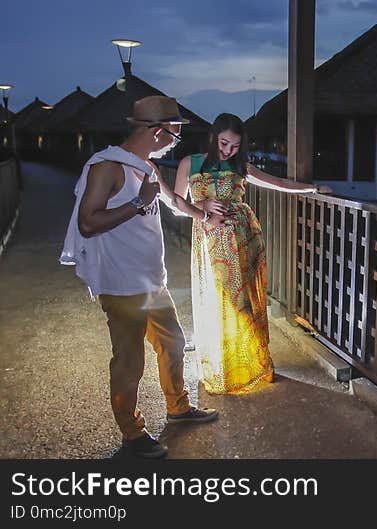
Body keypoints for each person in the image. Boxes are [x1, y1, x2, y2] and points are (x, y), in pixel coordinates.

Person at [60, 96, 220, 459]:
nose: (178, 138)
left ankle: (178, 408)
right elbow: (88, 223)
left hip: (150, 279)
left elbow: (172, 202)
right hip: (122, 284)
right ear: (156, 130)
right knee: (130, 361)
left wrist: (203, 214)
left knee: (174, 343)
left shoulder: (146, 165)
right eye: (176, 131)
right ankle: (132, 436)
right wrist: (135, 204)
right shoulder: (109, 167)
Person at [173, 113, 329, 395]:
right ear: (212, 137)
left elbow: (277, 183)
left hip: (243, 239)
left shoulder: (239, 165)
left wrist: (312, 187)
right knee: (216, 302)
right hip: (208, 238)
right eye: (223, 143)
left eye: (234, 145)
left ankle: (249, 366)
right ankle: (222, 368)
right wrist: (202, 205)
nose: (228, 150)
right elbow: (175, 204)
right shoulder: (189, 163)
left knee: (242, 303)